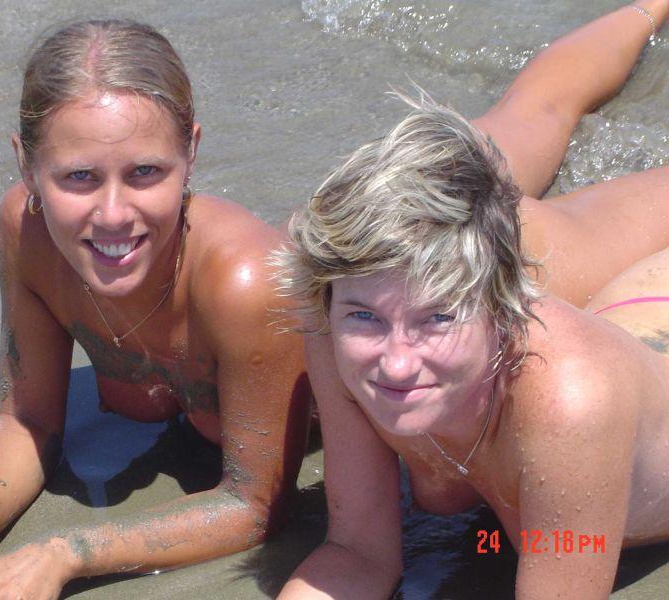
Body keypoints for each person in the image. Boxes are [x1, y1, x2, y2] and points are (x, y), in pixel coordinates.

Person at [276, 2, 669, 598]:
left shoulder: (572, 404)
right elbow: (358, 554)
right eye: (363, 317)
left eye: (437, 317)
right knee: (523, 121)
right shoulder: (343, 304)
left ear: (507, 304)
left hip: (631, 334)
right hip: (604, 315)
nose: (397, 363)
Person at [0, 20, 311, 599]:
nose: (114, 214)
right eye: (79, 177)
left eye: (146, 172)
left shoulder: (250, 287)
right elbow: (27, 417)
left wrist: (68, 552)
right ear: (27, 167)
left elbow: (255, 504)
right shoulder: (27, 234)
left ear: (191, 152)